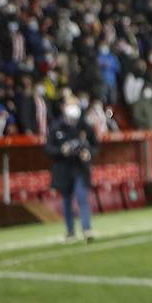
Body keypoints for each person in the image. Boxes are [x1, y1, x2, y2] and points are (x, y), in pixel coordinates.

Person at [44, 99, 98, 243]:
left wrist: (89, 153)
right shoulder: (56, 127)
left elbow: (95, 145)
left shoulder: (85, 126)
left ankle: (86, 229)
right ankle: (70, 232)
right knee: (67, 201)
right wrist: (61, 151)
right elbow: (48, 149)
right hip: (63, 168)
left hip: (80, 167)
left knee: (82, 198)